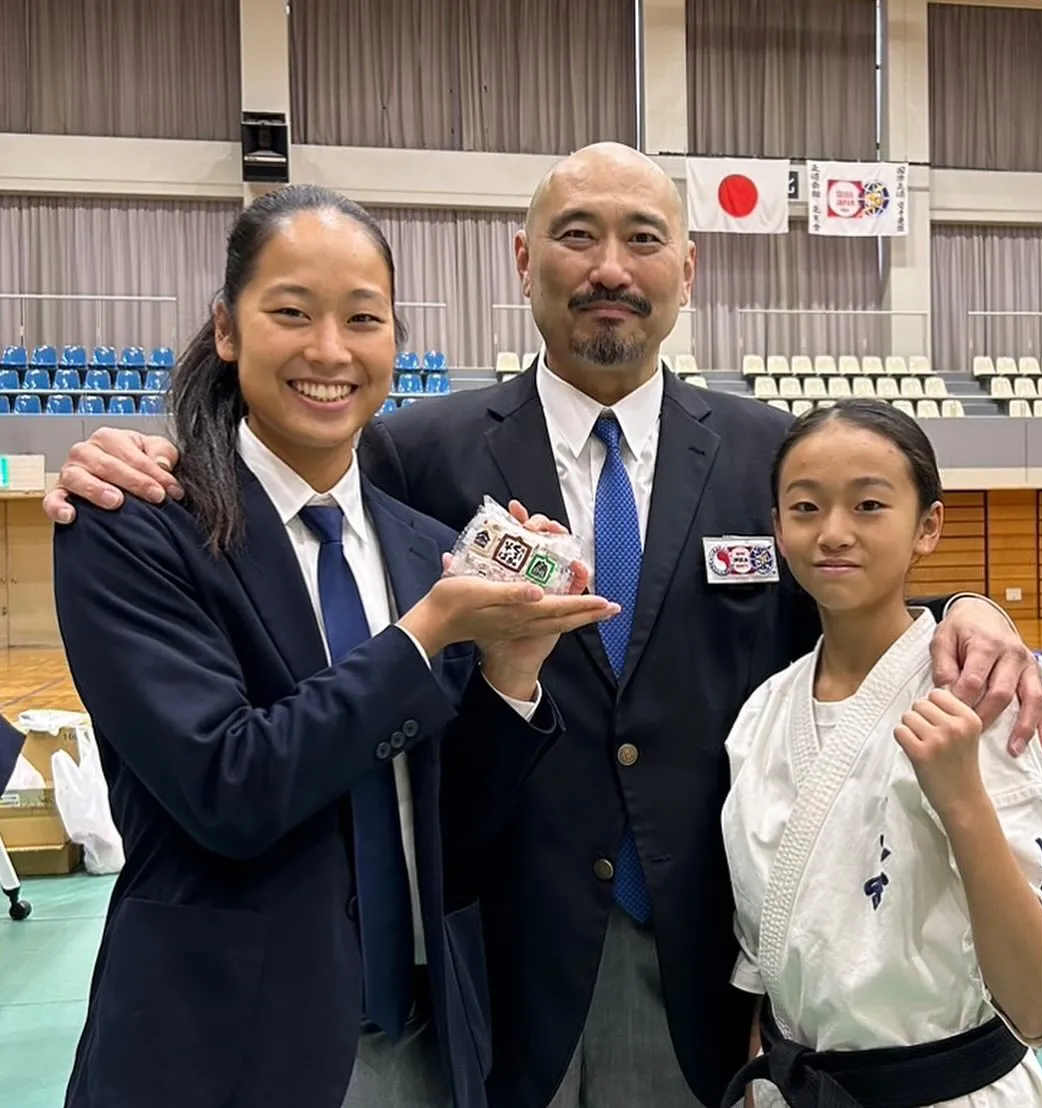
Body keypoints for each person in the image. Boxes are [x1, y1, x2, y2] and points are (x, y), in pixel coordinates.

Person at [42, 144, 1042, 1108]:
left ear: (687, 267)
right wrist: (142, 450)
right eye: (575, 235)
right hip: (491, 962)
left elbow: (854, 591)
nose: (610, 267)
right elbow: (278, 495)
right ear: (523, 261)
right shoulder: (410, 456)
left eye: (643, 238)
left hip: (708, 960)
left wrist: (966, 609)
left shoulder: (770, 458)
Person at [50, 185, 618, 1108]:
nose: (329, 350)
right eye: (291, 313)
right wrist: (426, 630)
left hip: (425, 1045)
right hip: (222, 1047)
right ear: (226, 330)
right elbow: (228, 787)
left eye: (363, 318)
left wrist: (511, 675)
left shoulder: (415, 542)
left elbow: (446, 830)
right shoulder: (135, 529)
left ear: (395, 341)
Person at [719, 399, 1042, 1108]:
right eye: (805, 508)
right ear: (776, 527)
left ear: (928, 527)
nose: (833, 533)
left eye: (868, 505)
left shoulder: (981, 695)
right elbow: (771, 956)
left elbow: (1039, 1004)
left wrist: (961, 799)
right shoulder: (762, 713)